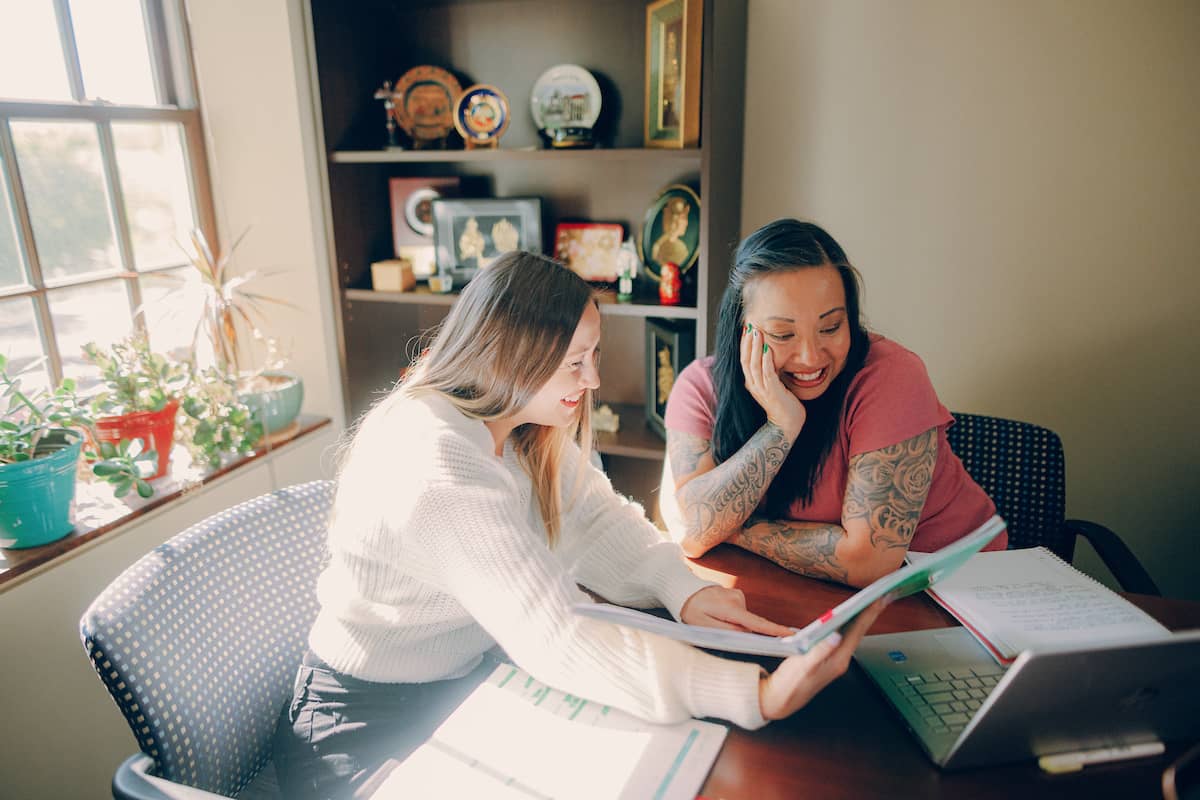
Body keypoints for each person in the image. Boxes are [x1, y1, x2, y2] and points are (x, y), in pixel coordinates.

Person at [273, 251, 885, 799]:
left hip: (459, 687)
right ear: (508, 359)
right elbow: (555, 633)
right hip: (356, 730)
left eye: (593, 356)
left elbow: (595, 519)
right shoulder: (434, 457)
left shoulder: (517, 423)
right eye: (574, 363)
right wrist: (748, 694)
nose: (591, 380)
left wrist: (685, 590)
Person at [661, 219, 1007, 589]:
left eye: (830, 327)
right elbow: (692, 530)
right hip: (810, 587)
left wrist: (732, 527)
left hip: (956, 585)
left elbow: (867, 560)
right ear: (742, 327)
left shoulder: (891, 377)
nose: (810, 357)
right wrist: (781, 426)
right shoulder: (700, 386)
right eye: (783, 333)